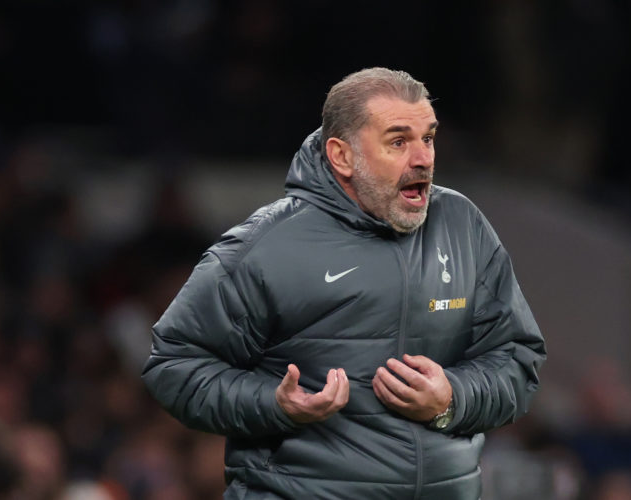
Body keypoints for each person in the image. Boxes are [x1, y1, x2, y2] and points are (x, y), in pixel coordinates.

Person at [142, 67, 546, 499]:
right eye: (398, 141)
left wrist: (453, 399)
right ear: (342, 155)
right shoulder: (267, 246)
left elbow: (517, 358)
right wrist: (275, 405)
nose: (423, 157)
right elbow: (174, 365)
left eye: (427, 138)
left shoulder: (463, 226)